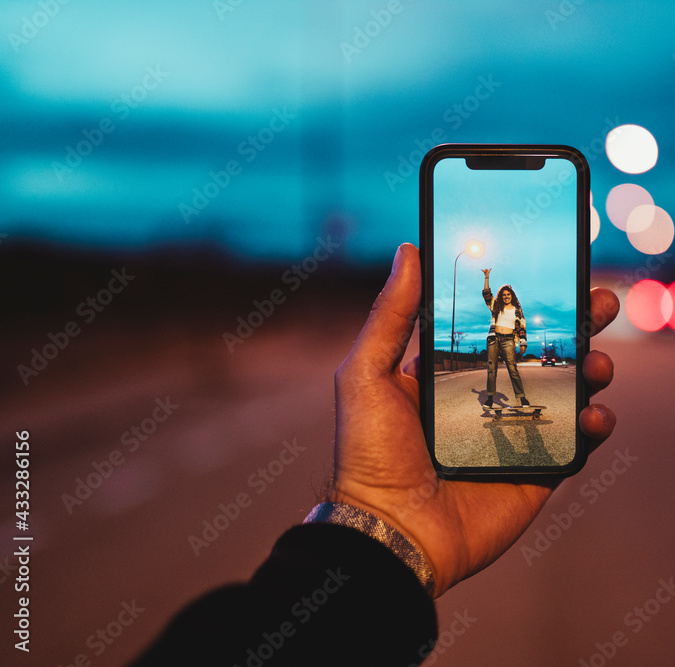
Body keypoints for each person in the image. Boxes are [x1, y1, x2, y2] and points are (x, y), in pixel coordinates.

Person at [130, 243, 619, 666]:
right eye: (505, 296)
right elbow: (491, 300)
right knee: (496, 376)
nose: (507, 298)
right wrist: (387, 520)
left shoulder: (517, 317)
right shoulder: (498, 310)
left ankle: (513, 396)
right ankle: (498, 395)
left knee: (515, 377)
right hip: (495, 346)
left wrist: (379, 535)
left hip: (508, 347)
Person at [481, 269, 531, 411]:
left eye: (508, 294)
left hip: (509, 339)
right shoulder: (496, 306)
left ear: (512, 295)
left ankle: (522, 397)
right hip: (493, 339)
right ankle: (490, 398)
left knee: (512, 368)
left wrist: (523, 342)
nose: (506, 297)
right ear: (501, 296)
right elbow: (486, 295)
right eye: (503, 295)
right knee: (491, 369)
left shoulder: (517, 309)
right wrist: (486, 277)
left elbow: (522, 326)